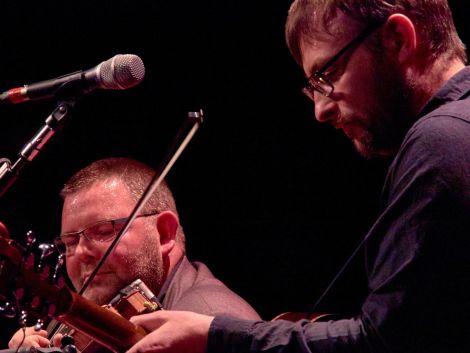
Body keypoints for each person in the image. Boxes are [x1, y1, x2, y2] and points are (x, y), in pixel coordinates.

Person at [121, 1, 470, 353]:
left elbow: (385, 344)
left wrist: (214, 335)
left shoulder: (441, 143)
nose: (320, 110)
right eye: (312, 88)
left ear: (397, 39)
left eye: (327, 74)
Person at [7, 157, 259, 349]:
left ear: (164, 233)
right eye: (69, 242)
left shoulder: (208, 319)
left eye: (103, 230)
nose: (82, 252)